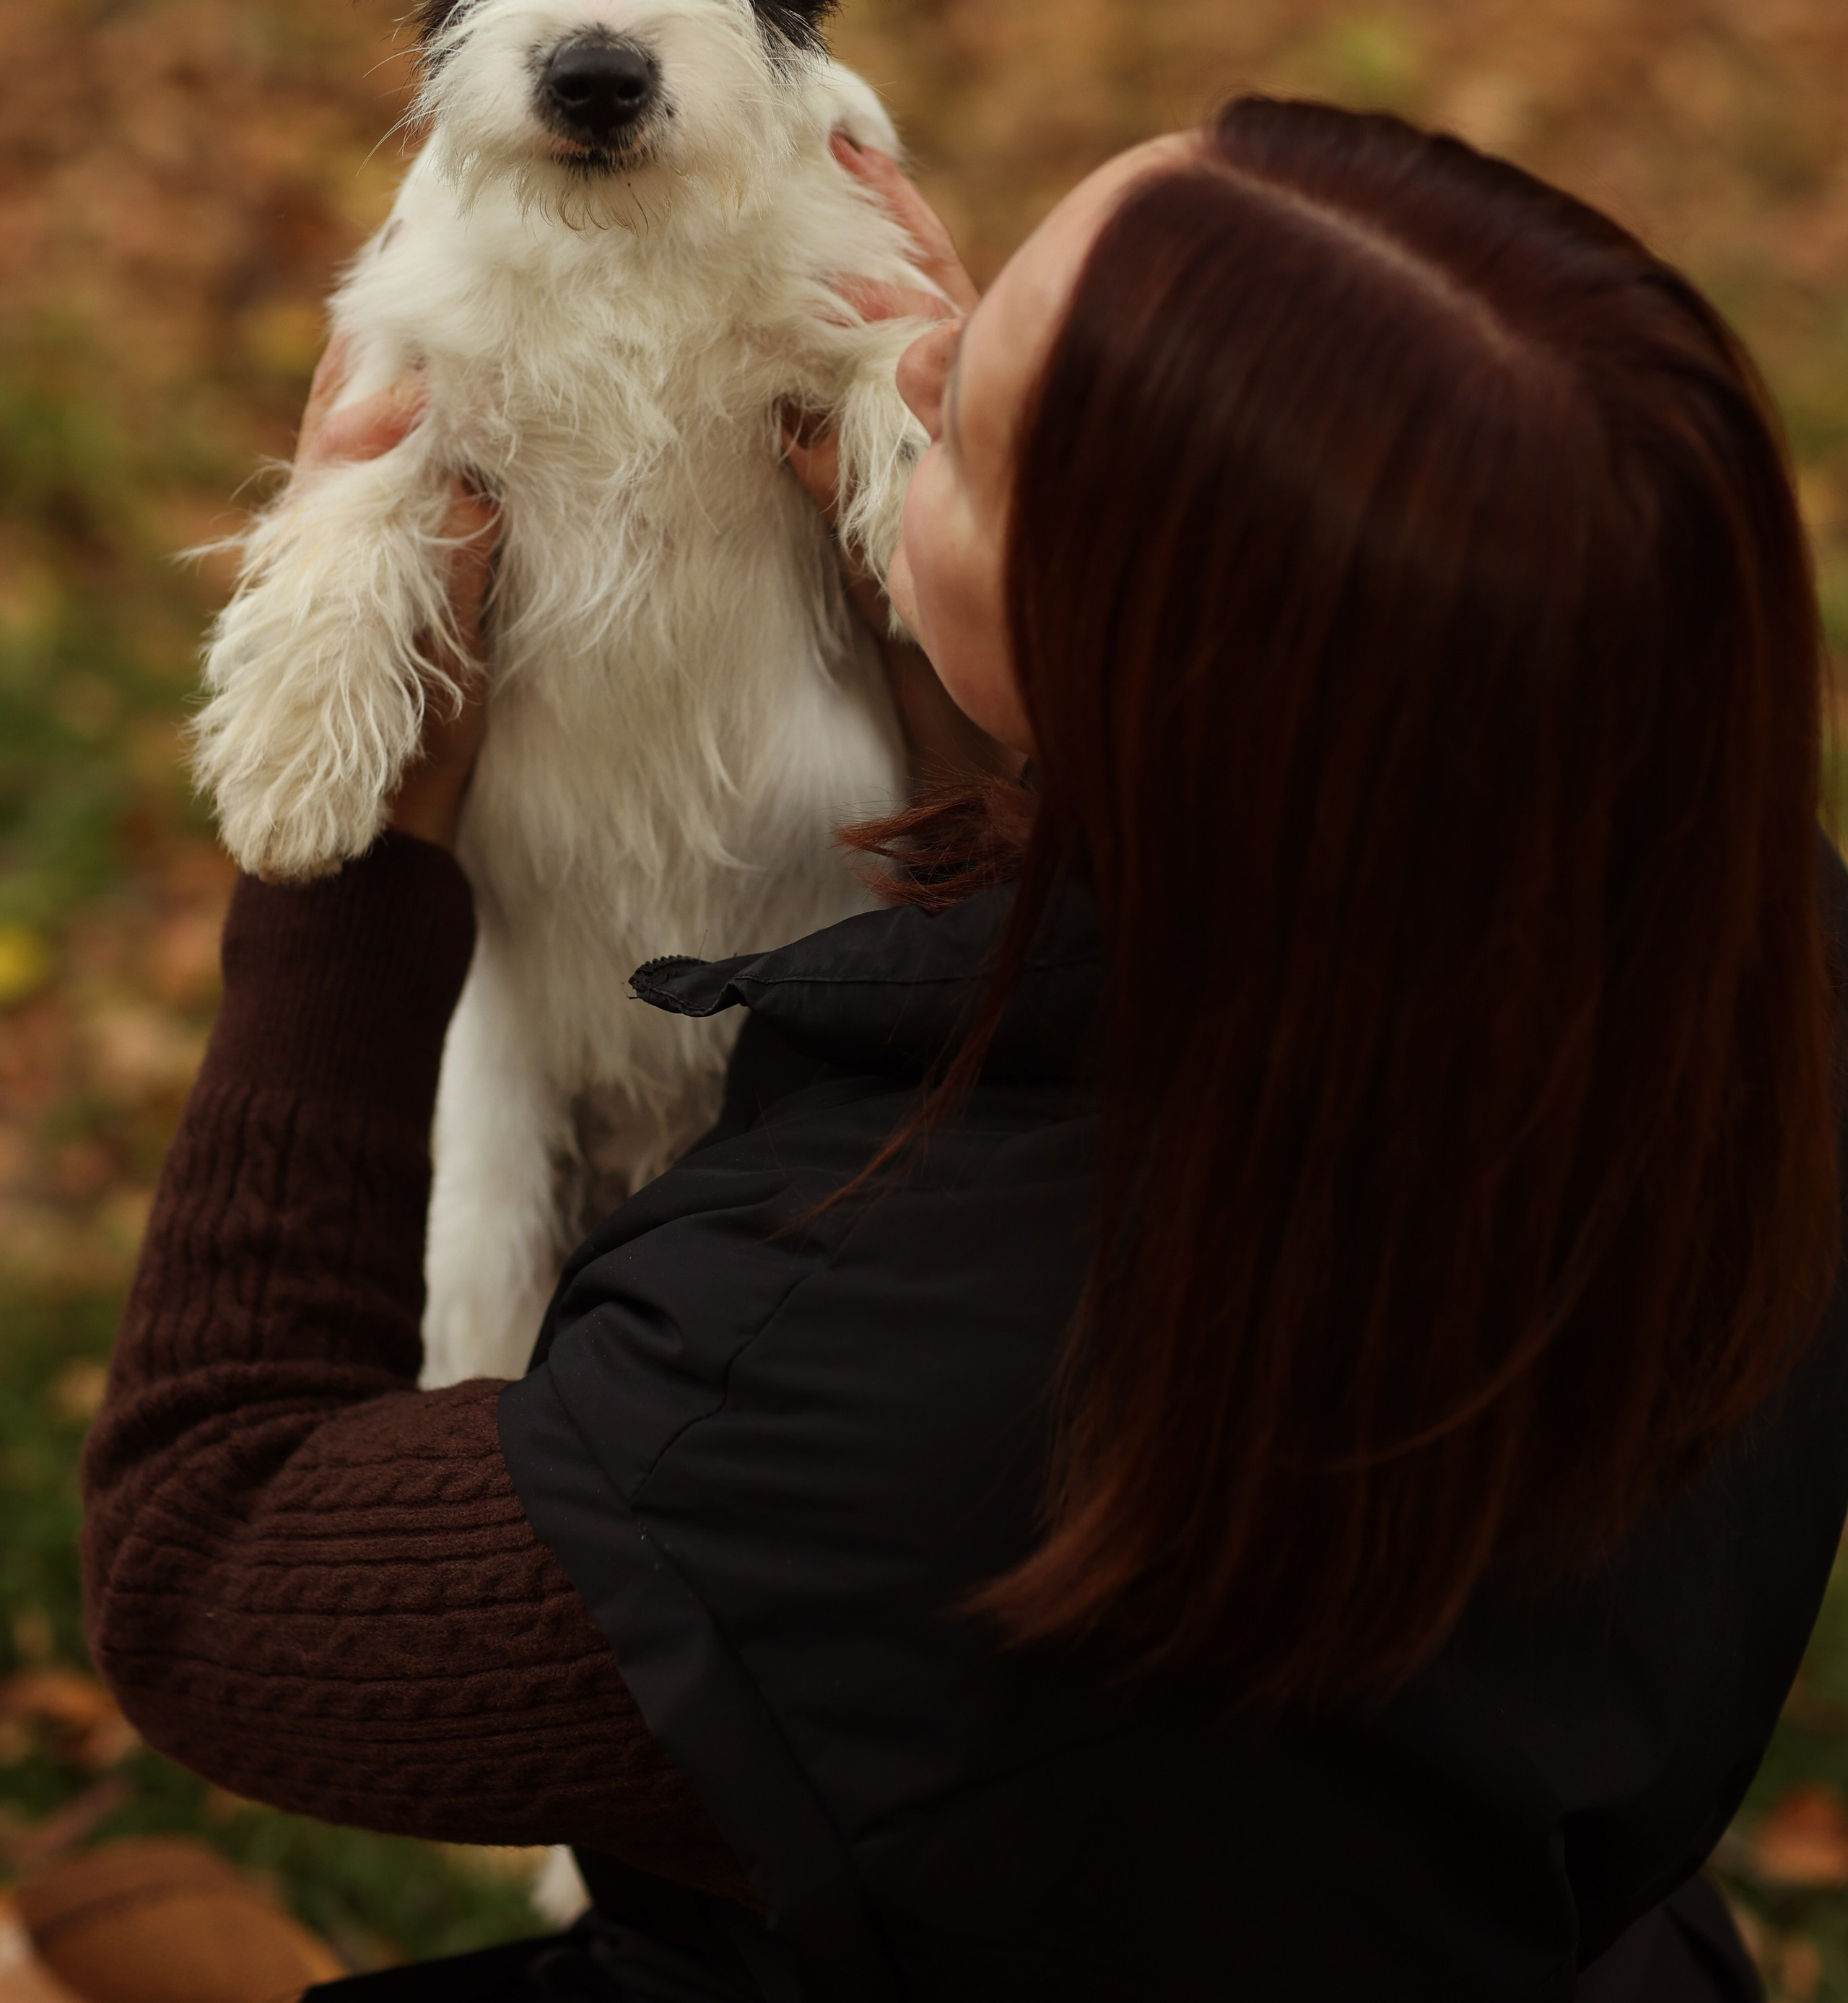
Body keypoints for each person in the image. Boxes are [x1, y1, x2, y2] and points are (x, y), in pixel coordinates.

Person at [79, 97, 1847, 2003]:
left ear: (1140, 674)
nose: (911, 353)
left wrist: (356, 862)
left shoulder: (889, 1389)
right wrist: (980, 734)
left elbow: (207, 1563)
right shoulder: (1747, 957)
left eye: (979, 433)